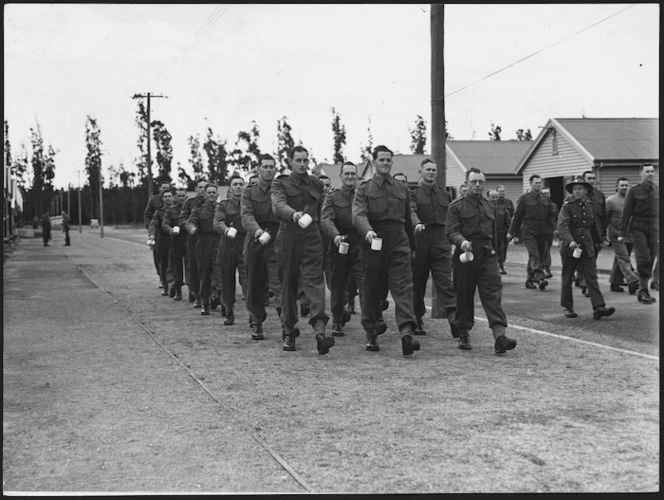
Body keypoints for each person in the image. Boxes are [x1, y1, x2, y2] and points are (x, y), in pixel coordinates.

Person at [352, 145, 420, 355]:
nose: (385, 163)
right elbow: (358, 215)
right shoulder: (364, 189)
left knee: (403, 288)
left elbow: (408, 220)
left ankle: (407, 333)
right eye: (381, 160)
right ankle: (371, 332)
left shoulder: (401, 188)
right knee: (372, 290)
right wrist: (368, 231)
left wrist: (413, 247)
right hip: (375, 241)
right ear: (373, 163)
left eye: (388, 160)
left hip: (399, 240)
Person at [272, 146, 335, 354]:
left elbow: (321, 211)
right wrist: (294, 215)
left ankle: (320, 331)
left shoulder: (316, 183)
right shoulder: (280, 183)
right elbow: (279, 204)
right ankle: (289, 330)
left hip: (311, 236)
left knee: (315, 282)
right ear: (290, 161)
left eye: (305, 160)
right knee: (288, 284)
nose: (302, 163)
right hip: (289, 234)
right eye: (298, 160)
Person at [446, 168, 516, 354]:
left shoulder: (488, 206)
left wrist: (497, 254)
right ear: (467, 183)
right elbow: (451, 231)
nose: (477, 185)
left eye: (480, 182)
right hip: (466, 256)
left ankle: (500, 336)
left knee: (493, 294)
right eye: (474, 182)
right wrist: (462, 242)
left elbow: (492, 234)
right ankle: (463, 332)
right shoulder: (456, 207)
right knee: (464, 296)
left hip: (487, 254)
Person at [409, 159, 457, 338]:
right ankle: (417, 318)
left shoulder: (445, 194)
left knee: (445, 281)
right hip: (421, 239)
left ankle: (453, 318)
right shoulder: (413, 194)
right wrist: (417, 224)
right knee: (418, 283)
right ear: (420, 171)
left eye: (434, 170)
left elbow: (452, 216)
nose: (431, 173)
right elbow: (411, 211)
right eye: (427, 169)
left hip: (440, 240)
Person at [557, 177, 616, 320]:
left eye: (581, 189)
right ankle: (568, 307)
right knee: (568, 277)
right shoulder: (567, 206)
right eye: (575, 189)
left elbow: (594, 225)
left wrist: (600, 240)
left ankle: (599, 307)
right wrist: (570, 241)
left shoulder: (590, 205)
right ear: (572, 191)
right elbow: (562, 226)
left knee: (591, 276)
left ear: (586, 191)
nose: (578, 191)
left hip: (587, 245)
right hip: (570, 248)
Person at [241, 154, 282, 341]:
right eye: (265, 166)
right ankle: (256, 322)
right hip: (256, 240)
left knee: (279, 283)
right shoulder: (249, 192)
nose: (269, 170)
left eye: (272, 166)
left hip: (277, 240)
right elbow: (246, 215)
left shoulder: (280, 189)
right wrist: (257, 231)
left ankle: (287, 325)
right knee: (254, 285)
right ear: (258, 170)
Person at [320, 161, 364, 337]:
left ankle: (371, 322)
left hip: (360, 244)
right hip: (339, 244)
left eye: (353, 174)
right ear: (341, 176)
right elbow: (326, 219)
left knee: (365, 284)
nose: (350, 177)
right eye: (347, 174)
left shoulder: (362, 196)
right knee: (338, 286)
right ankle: (337, 319)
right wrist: (335, 235)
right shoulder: (332, 197)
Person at [507, 175, 556, 290]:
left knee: (536, 255)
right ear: (530, 184)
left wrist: (553, 229)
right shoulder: (525, 199)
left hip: (542, 231)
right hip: (529, 231)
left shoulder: (546, 199)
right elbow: (517, 216)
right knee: (534, 254)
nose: (538, 185)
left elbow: (550, 216)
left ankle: (529, 280)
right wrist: (511, 232)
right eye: (536, 183)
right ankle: (540, 277)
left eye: (540, 183)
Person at [619, 163, 659, 304]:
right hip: (638, 228)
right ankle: (643, 290)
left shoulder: (657, 190)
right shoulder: (634, 191)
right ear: (641, 174)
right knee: (643, 259)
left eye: (652, 171)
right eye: (647, 171)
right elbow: (626, 213)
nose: (650, 173)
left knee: (652, 257)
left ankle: (643, 288)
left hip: (654, 228)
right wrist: (622, 233)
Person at [214, 175, 248, 326]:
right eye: (235, 184)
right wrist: (226, 230)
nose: (239, 187)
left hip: (245, 244)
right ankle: (229, 310)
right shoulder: (223, 205)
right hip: (228, 244)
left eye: (241, 184)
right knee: (227, 281)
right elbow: (218, 222)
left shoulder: (249, 204)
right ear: (230, 187)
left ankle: (253, 315)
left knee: (248, 280)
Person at [187, 183, 221, 316]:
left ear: (217, 194)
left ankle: (221, 300)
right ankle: (205, 302)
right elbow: (191, 221)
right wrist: (192, 228)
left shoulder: (221, 208)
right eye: (209, 193)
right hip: (203, 244)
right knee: (204, 275)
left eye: (214, 192)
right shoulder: (198, 210)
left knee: (220, 274)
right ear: (205, 195)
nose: (212, 195)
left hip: (218, 243)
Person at [605, 178, 639, 294]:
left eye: (626, 185)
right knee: (624, 258)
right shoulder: (610, 201)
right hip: (616, 235)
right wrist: (604, 235)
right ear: (617, 186)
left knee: (620, 259)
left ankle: (615, 282)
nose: (624, 187)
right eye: (622, 185)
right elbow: (605, 219)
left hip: (629, 234)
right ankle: (632, 280)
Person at [180, 178, 207, 306]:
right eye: (200, 187)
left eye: (205, 187)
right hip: (194, 239)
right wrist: (190, 227)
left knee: (209, 268)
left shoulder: (213, 202)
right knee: (194, 268)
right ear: (196, 189)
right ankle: (197, 294)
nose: (203, 190)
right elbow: (183, 219)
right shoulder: (190, 203)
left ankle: (210, 294)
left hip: (209, 239)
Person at [149, 190, 177, 296]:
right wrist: (152, 234)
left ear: (173, 198)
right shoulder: (159, 212)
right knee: (163, 264)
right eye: (165, 196)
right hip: (162, 241)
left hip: (174, 240)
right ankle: (166, 286)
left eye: (170, 196)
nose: (168, 198)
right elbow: (153, 224)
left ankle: (174, 284)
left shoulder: (177, 210)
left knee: (174, 263)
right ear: (162, 199)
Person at [162, 188, 188, 301]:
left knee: (190, 266)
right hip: (175, 240)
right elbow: (165, 224)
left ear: (186, 196)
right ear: (175, 197)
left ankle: (193, 290)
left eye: (183, 196)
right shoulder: (170, 211)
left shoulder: (191, 209)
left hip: (188, 240)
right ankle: (178, 290)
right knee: (176, 267)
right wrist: (170, 230)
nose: (181, 198)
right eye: (179, 196)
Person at [144, 180, 172, 285]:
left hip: (171, 234)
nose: (165, 190)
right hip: (158, 233)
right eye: (163, 188)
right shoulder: (154, 200)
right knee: (159, 257)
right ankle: (161, 276)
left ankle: (170, 279)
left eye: (167, 188)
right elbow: (147, 216)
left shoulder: (173, 203)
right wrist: (151, 231)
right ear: (160, 189)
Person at [488, 190, 511, 275]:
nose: (494, 199)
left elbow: (508, 220)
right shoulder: (485, 207)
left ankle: (501, 266)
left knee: (501, 250)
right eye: (492, 197)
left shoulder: (502, 208)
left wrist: (509, 231)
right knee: (490, 251)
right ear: (488, 198)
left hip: (501, 233)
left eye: (496, 197)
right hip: (489, 234)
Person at [541, 187, 557, 279]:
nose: (546, 195)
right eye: (544, 193)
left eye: (548, 193)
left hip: (550, 231)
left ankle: (544, 267)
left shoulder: (553, 205)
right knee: (544, 249)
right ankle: (546, 268)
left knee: (547, 249)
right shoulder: (539, 205)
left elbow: (556, 218)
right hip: (541, 230)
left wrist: (555, 229)